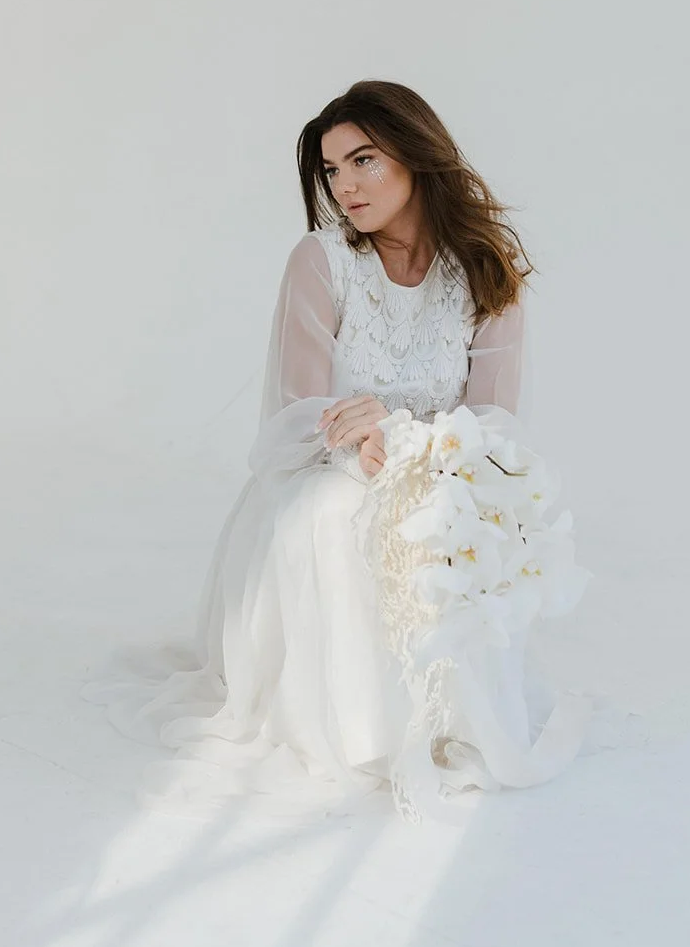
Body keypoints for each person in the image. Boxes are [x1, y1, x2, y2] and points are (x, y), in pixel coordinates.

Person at [81, 79, 596, 818]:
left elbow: (496, 422)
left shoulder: (484, 269)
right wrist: (359, 444)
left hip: (438, 469)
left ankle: (446, 713)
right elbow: (296, 411)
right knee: (334, 510)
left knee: (444, 520)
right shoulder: (323, 260)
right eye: (331, 170)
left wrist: (415, 444)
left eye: (363, 161)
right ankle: (359, 728)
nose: (344, 185)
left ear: (416, 158)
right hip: (325, 466)